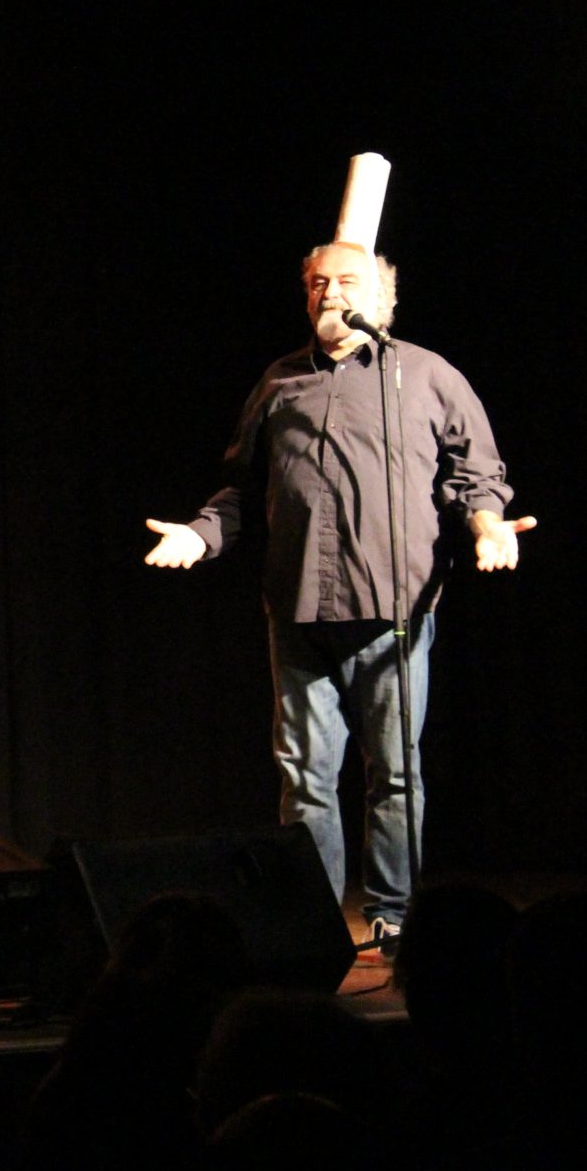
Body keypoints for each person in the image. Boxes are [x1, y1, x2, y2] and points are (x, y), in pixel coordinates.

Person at [144, 241, 534, 946]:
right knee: (306, 778)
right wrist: (200, 536)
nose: (327, 292)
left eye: (345, 281)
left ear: (384, 300)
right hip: (298, 610)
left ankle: (395, 912)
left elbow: (476, 475)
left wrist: (488, 529)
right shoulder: (279, 382)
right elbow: (243, 486)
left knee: (394, 771)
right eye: (315, 282)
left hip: (395, 612)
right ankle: (313, 919)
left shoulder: (426, 375)